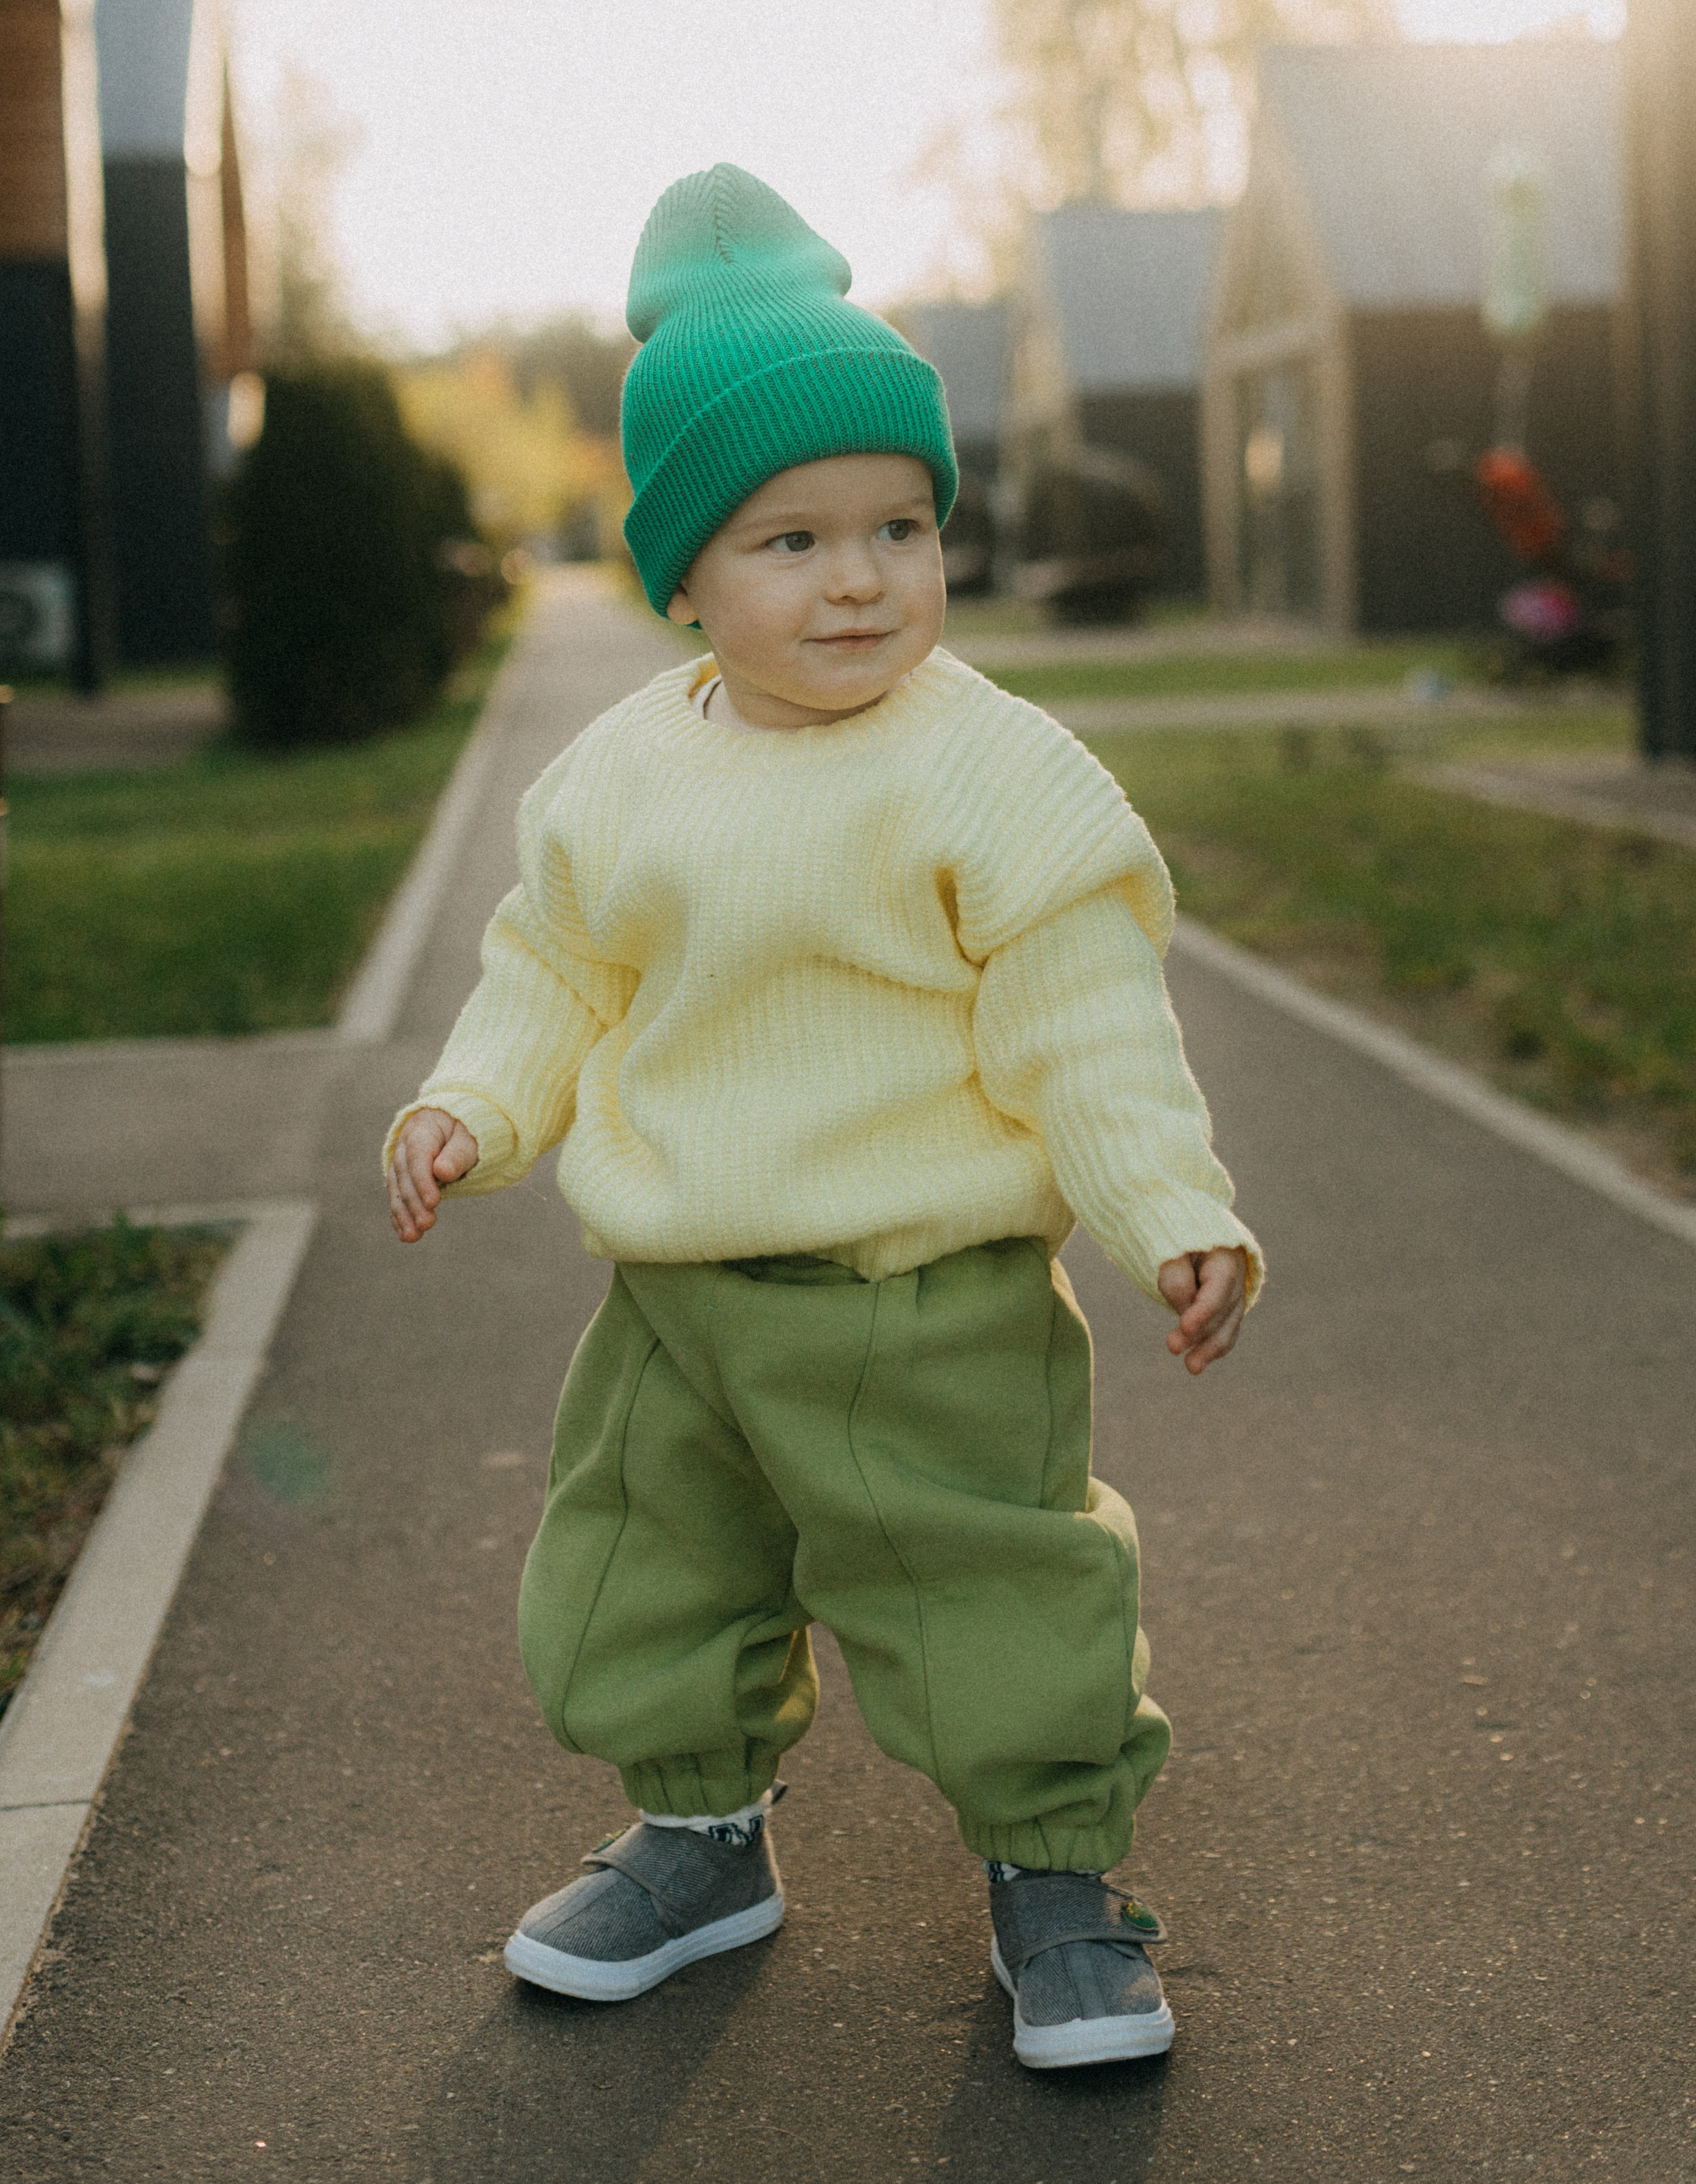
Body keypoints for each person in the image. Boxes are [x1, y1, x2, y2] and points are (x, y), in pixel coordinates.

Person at [383, 164, 1263, 2071]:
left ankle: (1056, 1875)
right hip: (683, 1302)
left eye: (901, 527)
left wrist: (1169, 1205)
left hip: (928, 1302)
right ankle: (700, 1839)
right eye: (791, 539)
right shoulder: (617, 779)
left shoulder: (996, 773)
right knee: (644, 1570)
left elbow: (1089, 1022)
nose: (860, 579)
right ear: (683, 576)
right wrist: (473, 1103)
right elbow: (553, 973)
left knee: (994, 1591)